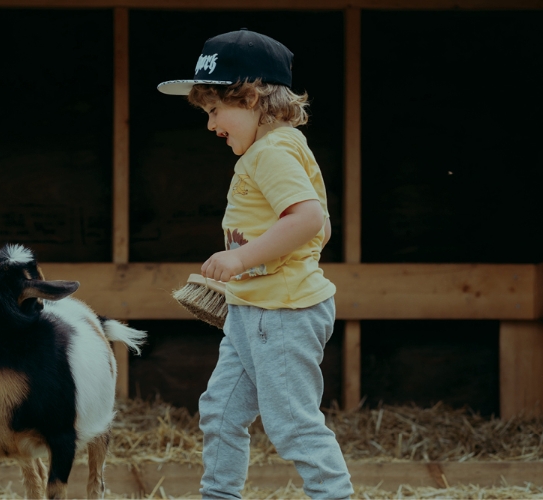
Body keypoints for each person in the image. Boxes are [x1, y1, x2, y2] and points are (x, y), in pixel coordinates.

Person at [157, 29, 352, 499]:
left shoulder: (272, 151)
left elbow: (306, 219)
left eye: (214, 110)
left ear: (249, 97)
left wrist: (242, 256)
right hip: (253, 314)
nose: (211, 125)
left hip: (280, 317)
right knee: (220, 412)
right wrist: (253, 270)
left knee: (291, 424)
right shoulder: (278, 151)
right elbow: (321, 228)